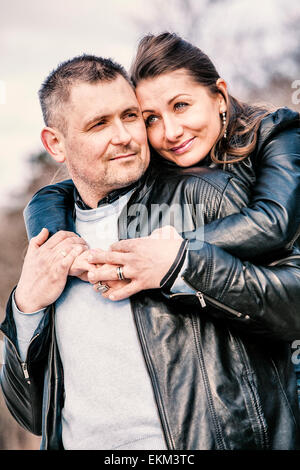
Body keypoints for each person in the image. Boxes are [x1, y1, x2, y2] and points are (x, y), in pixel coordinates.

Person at [1, 53, 300, 451]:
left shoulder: (210, 195)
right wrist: (26, 307)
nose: (125, 135)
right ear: (55, 143)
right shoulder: (51, 239)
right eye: (99, 124)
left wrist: (182, 264)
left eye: (129, 116)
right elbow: (32, 415)